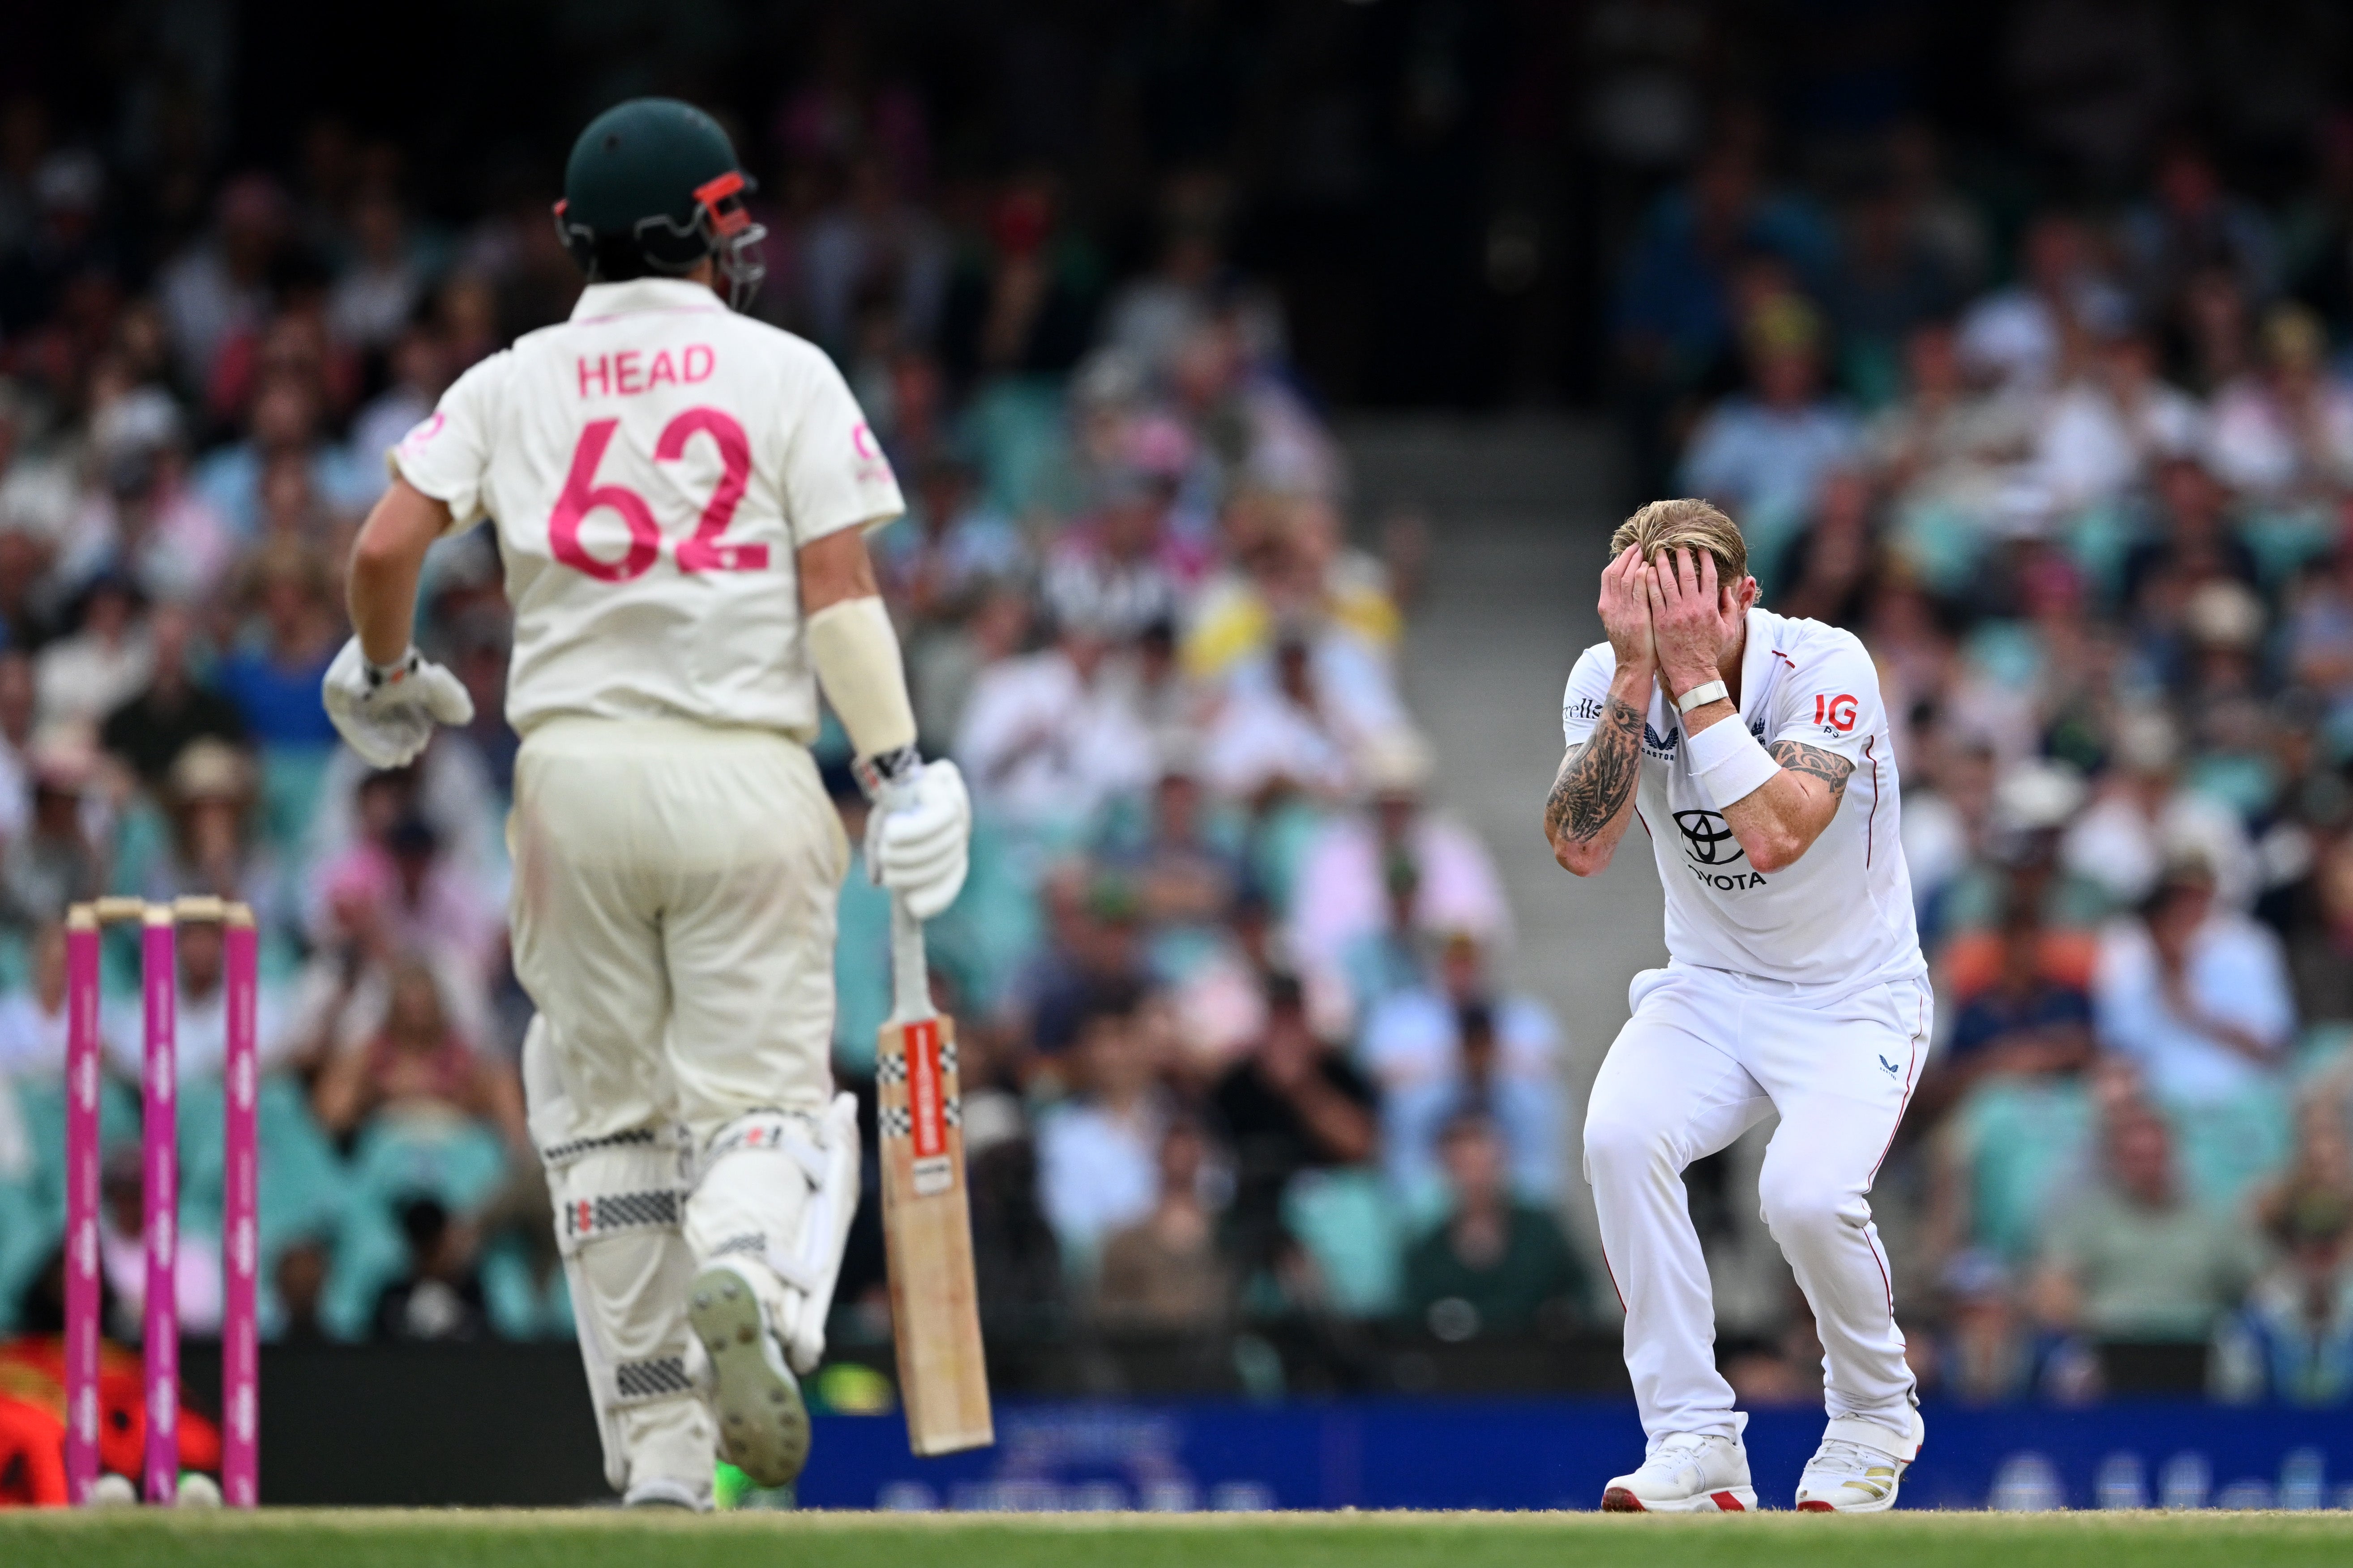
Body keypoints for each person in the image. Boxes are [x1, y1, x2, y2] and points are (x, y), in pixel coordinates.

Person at [322, 99, 972, 1509]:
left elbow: (384, 545)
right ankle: (744, 1269)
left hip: (568, 786)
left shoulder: (510, 379)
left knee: (603, 1125)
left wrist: (386, 673)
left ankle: (664, 1468)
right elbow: (840, 596)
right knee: (773, 1116)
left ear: (574, 240)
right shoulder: (787, 371)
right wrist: (900, 768)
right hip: (742, 774)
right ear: (713, 231)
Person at [1547, 498, 1931, 1512]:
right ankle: (1692, 1437)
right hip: (1712, 987)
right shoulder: (1608, 674)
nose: (1680, 633)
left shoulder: (1826, 665)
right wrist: (1638, 672)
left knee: (1804, 1199)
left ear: (1746, 597)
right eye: (1651, 608)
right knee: (1620, 1139)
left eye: (1698, 611)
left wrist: (1695, 682)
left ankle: (1873, 1415)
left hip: (1855, 999)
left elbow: (1776, 834)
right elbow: (1581, 848)